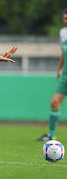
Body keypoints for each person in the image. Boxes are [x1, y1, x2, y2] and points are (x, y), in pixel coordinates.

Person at [38, 9, 67, 141]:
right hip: (65, 74)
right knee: (54, 102)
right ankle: (51, 134)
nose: (65, 20)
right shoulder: (63, 32)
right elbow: (63, 52)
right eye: (64, 18)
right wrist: (59, 69)